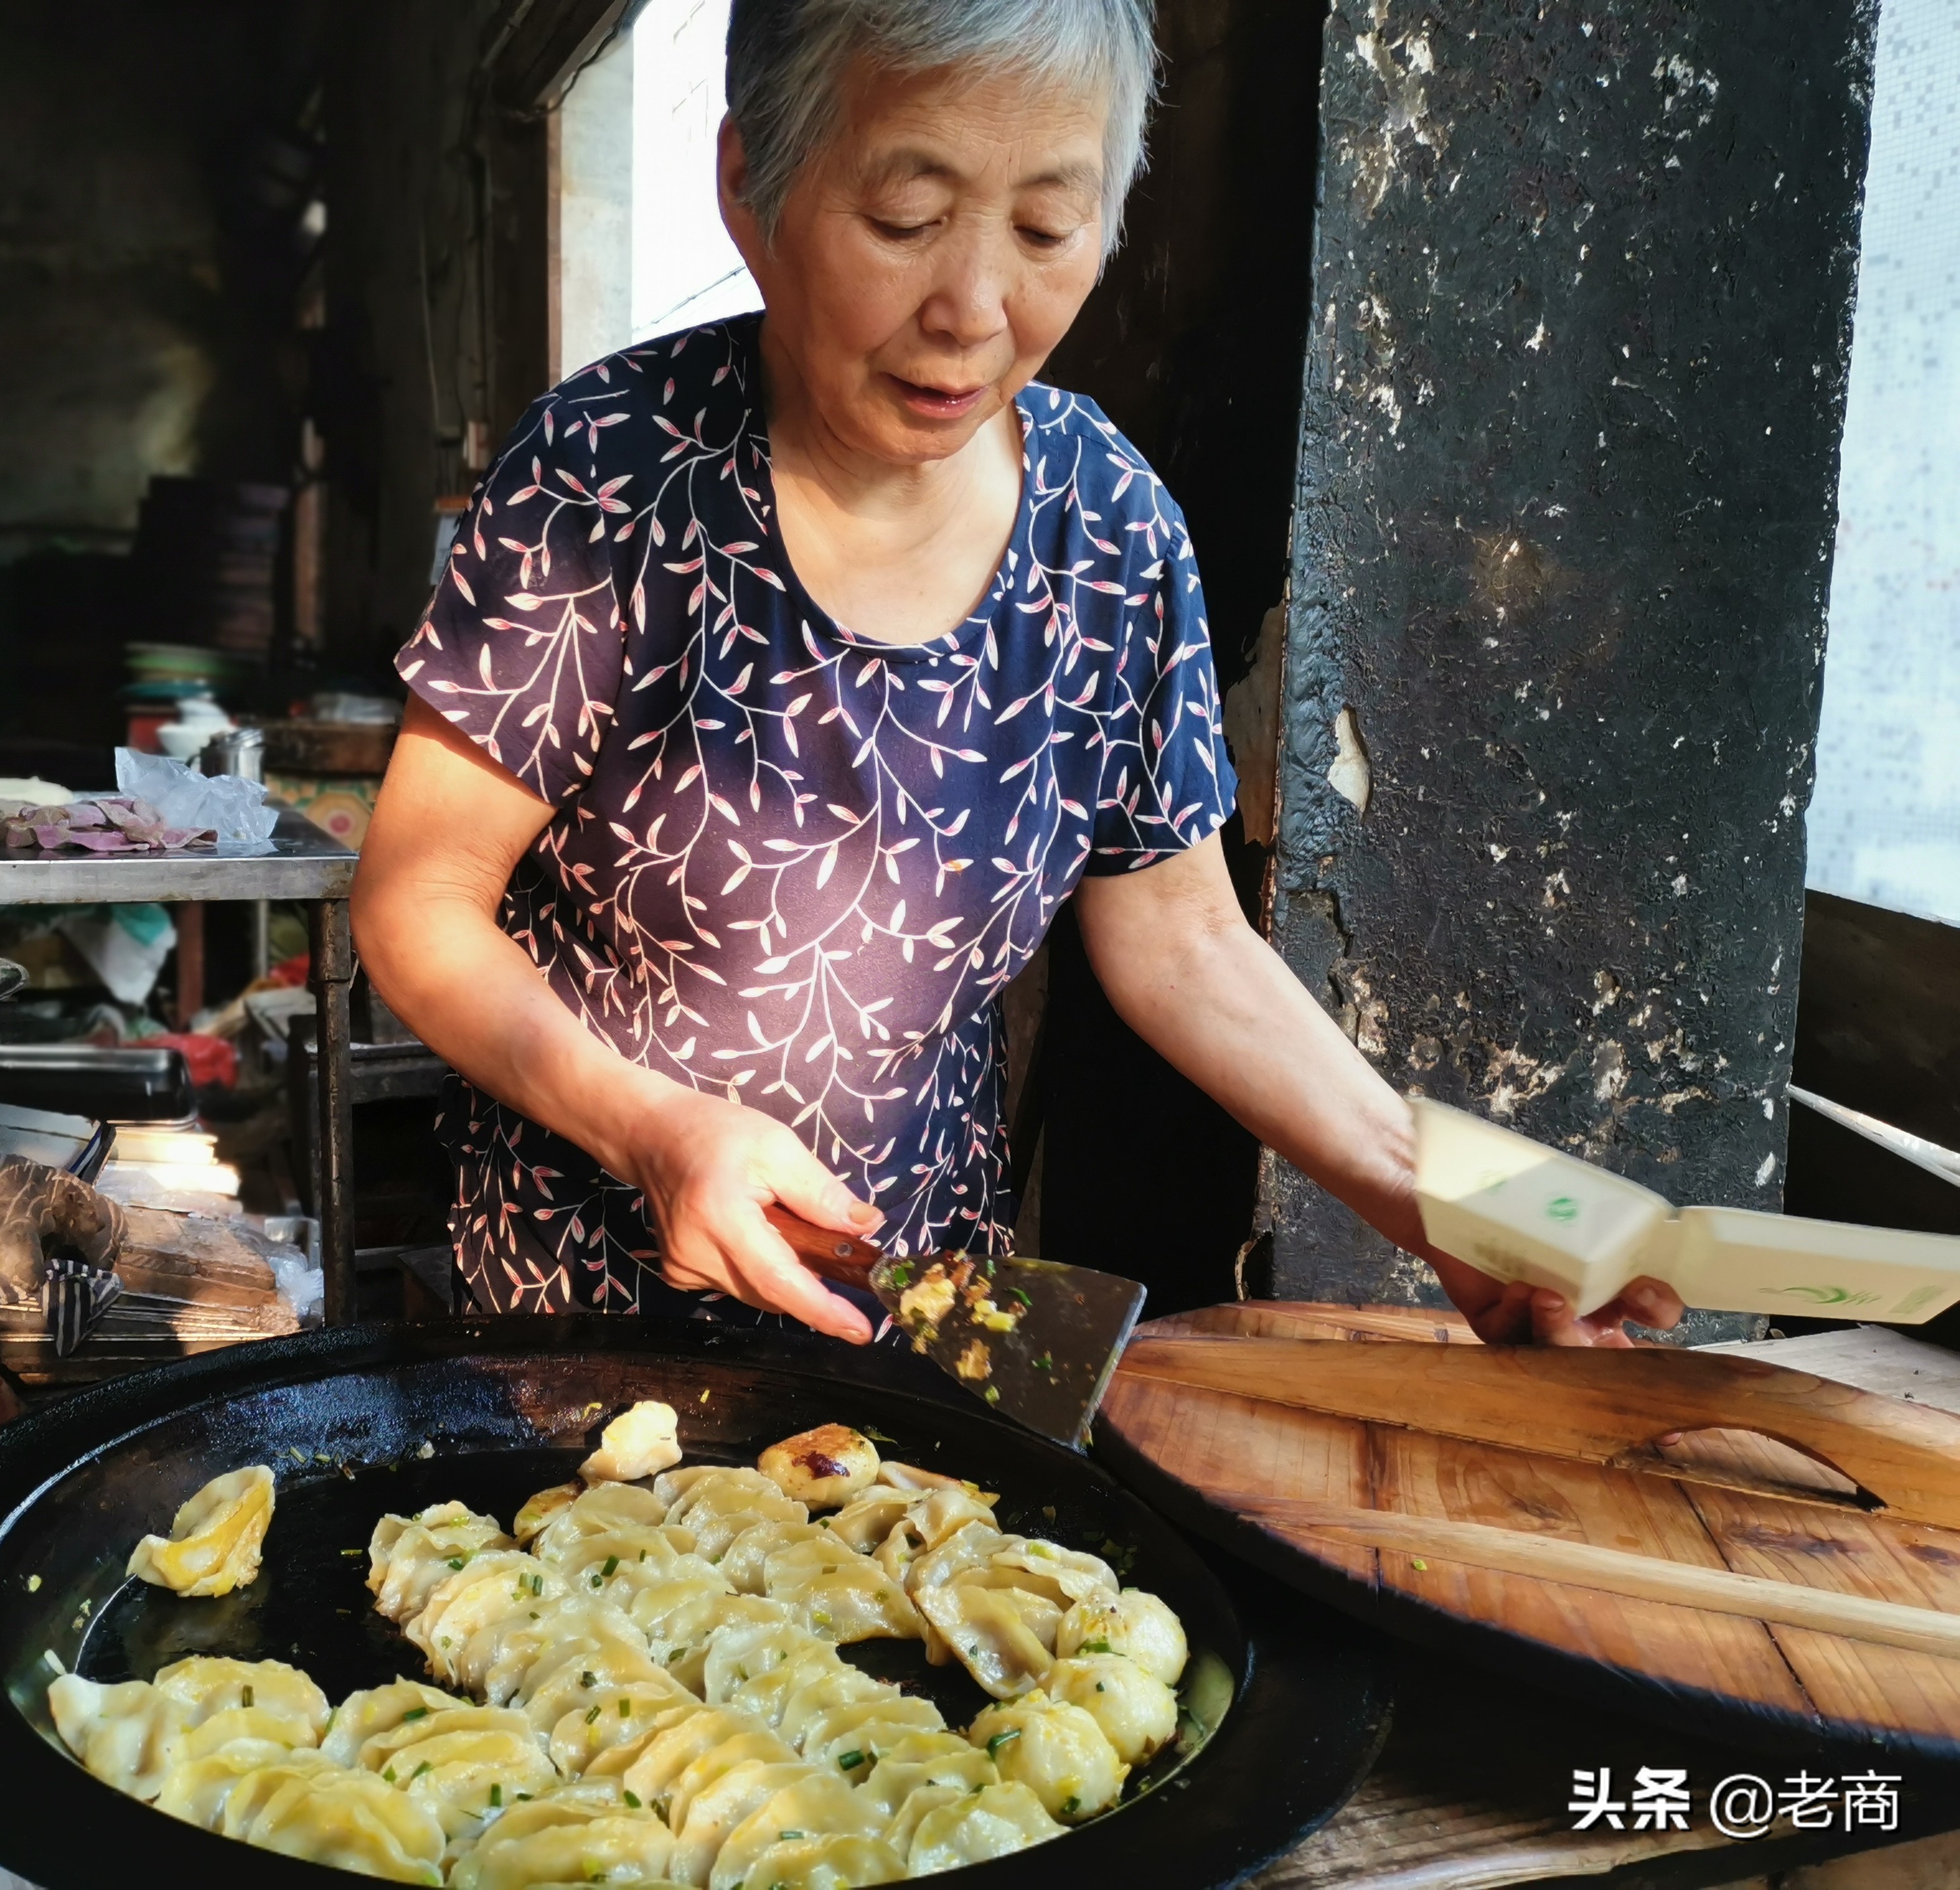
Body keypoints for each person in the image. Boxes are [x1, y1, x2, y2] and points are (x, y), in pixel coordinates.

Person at [351, 0, 1682, 1350]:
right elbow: (422, 903)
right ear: (750, 184)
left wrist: (1440, 1198)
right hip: (590, 1317)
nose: (975, 310)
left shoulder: (1105, 524)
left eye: (1047, 230)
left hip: (925, 1323)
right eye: (906, 219)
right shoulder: (611, 477)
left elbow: (1186, 938)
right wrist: (650, 1127)